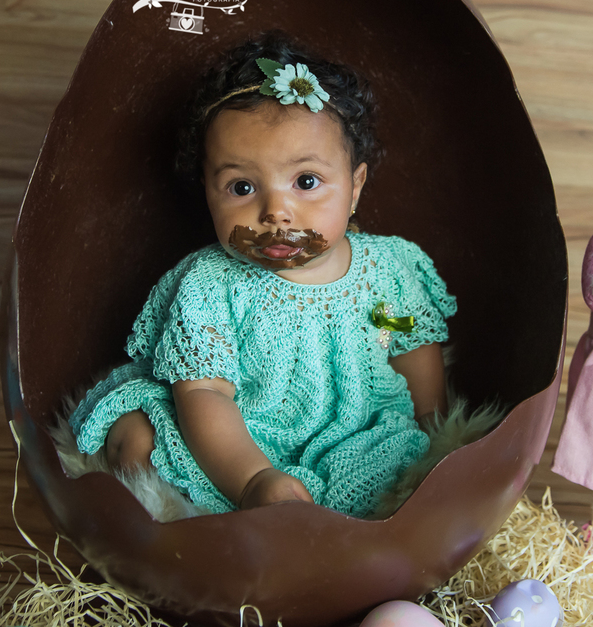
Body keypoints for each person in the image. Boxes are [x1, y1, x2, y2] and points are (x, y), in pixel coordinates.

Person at [68, 34, 457, 518]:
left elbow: (404, 343)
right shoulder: (213, 285)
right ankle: (207, 533)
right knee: (137, 437)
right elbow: (205, 393)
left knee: (395, 473)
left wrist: (437, 438)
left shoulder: (384, 274)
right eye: (242, 187)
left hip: (356, 430)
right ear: (208, 192)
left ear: (355, 187)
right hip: (232, 435)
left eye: (306, 182)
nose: (276, 212)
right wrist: (253, 479)